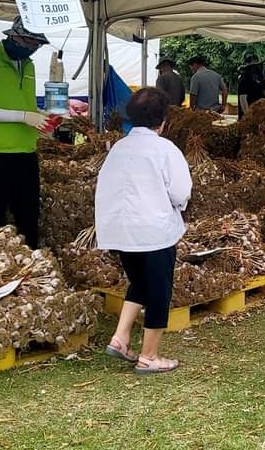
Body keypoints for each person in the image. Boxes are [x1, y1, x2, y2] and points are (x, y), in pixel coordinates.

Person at [96, 87, 191, 375]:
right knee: (159, 291)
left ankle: (121, 337)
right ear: (163, 120)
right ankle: (149, 356)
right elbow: (180, 192)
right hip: (153, 231)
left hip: (119, 230)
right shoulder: (165, 149)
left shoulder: (118, 147)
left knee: (139, 282)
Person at [0, 19, 53, 248]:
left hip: (25, 152)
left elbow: (24, 104)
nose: (32, 47)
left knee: (29, 216)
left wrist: (41, 117)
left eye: (37, 44)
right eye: (28, 41)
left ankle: (32, 269)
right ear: (13, 36)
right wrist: (23, 117)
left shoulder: (29, 65)